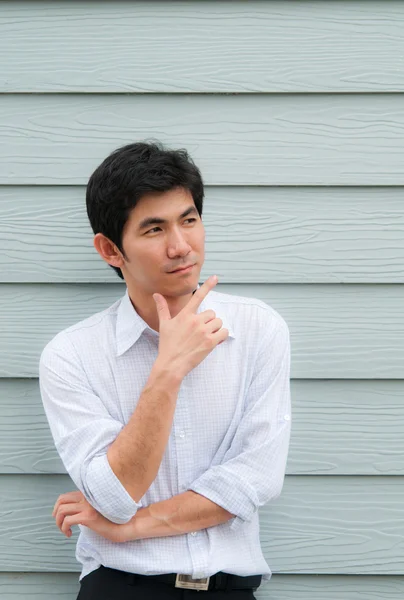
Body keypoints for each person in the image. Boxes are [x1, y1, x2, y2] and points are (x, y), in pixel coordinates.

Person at [39, 141, 292, 599]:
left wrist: (131, 526)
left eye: (189, 220)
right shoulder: (70, 355)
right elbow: (114, 495)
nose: (181, 247)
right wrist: (167, 371)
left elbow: (255, 478)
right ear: (110, 250)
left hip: (230, 589)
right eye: (154, 229)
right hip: (121, 589)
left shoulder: (258, 328)